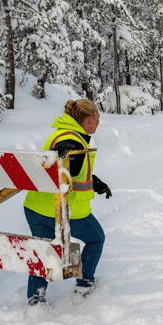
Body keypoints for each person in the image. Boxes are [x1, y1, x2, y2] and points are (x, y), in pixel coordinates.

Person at [23, 99, 112, 305]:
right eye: (98, 118)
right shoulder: (72, 141)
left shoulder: (61, 132)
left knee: (44, 249)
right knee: (96, 238)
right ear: (89, 120)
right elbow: (66, 155)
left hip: (36, 208)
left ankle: (35, 300)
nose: (98, 122)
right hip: (63, 212)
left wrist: (96, 184)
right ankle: (85, 284)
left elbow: (72, 170)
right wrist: (66, 151)